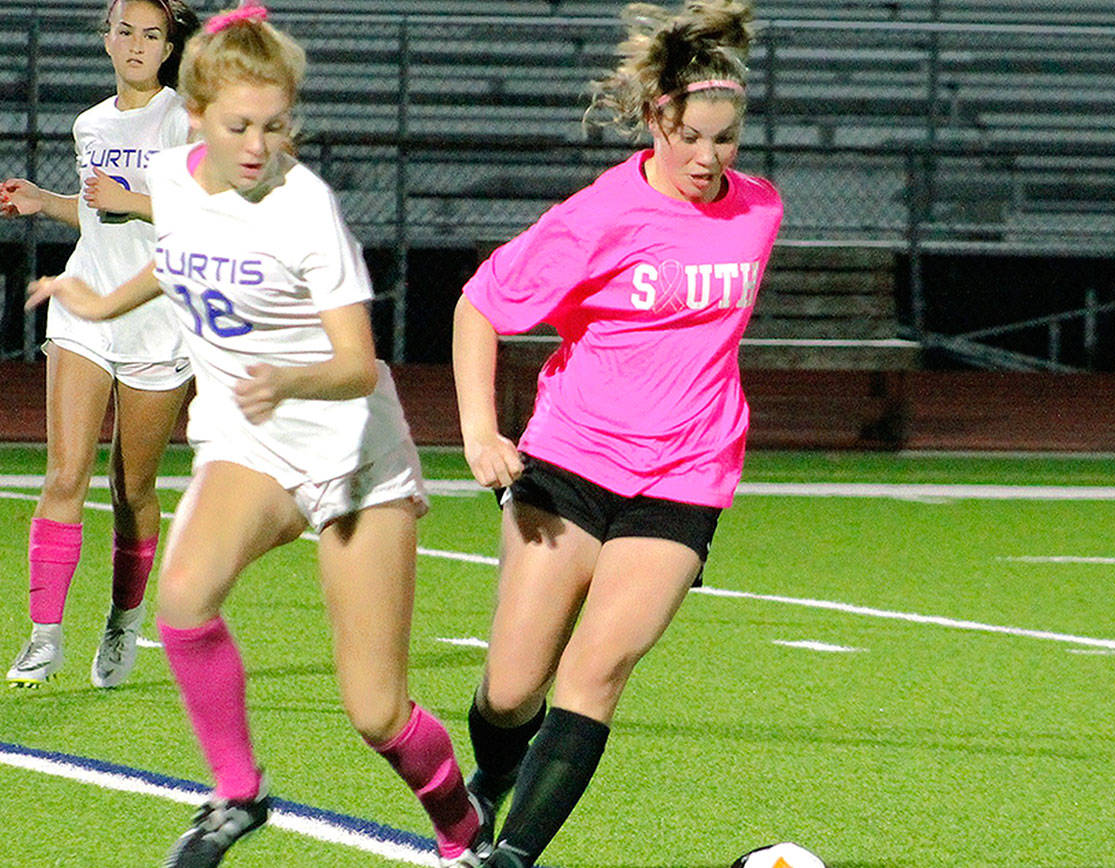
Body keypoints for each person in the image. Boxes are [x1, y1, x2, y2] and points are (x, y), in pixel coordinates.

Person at [26, 3, 486, 866]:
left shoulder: (304, 209)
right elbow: (177, 256)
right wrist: (96, 297)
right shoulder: (175, 177)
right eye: (239, 125)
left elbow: (356, 363)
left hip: (350, 454)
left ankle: (464, 833)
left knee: (375, 710)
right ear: (195, 117)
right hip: (251, 441)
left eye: (275, 126)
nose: (256, 145)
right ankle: (239, 794)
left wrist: (290, 376)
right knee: (184, 598)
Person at [450, 1, 782, 865]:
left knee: (595, 672)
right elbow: (479, 307)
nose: (710, 159)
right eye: (692, 138)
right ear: (654, 122)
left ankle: (512, 853)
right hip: (570, 462)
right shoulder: (598, 215)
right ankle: (490, 777)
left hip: (687, 475)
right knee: (515, 689)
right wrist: (481, 433)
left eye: (727, 140)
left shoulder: (760, 212)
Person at [2, 0, 199, 690]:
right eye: (125, 31)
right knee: (64, 474)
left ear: (170, 46)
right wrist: (44, 200)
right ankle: (44, 636)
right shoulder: (90, 122)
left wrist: (137, 199)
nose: (137, 45)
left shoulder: (186, 119)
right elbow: (98, 211)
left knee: (131, 487)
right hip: (83, 308)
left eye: (152, 35)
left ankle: (123, 621)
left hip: (157, 315)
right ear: (107, 40)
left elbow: (213, 212)